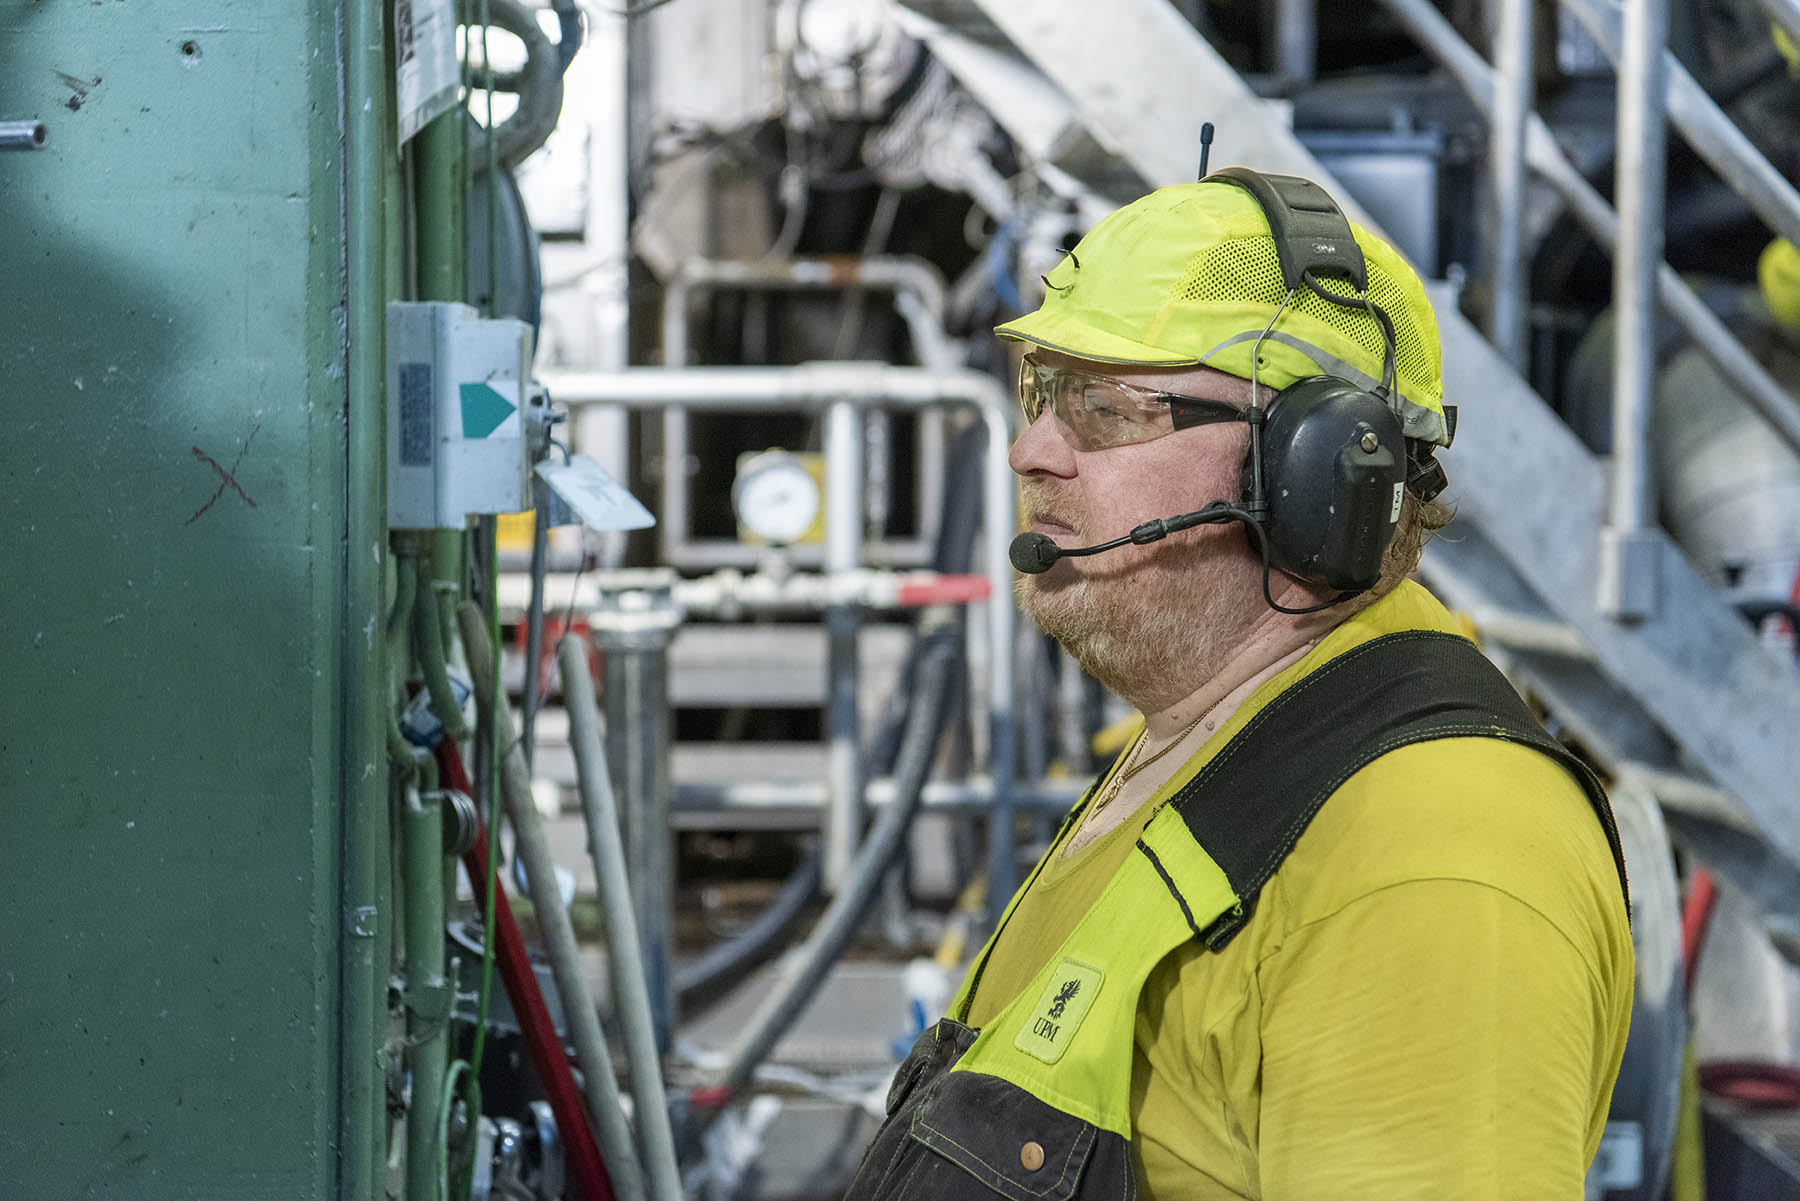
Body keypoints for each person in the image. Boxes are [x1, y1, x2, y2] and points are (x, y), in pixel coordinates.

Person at [842, 174, 1634, 1199]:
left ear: (1313, 473)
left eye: (1106, 406)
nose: (1033, 448)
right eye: (1043, 390)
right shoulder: (1212, 735)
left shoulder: (1430, 859)